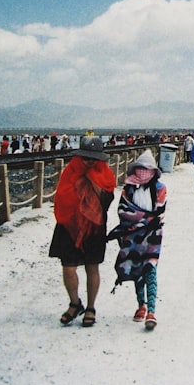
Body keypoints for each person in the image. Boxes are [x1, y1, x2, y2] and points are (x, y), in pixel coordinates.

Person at [48, 135, 116, 328]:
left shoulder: (105, 175)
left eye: (93, 158)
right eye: (86, 157)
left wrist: (95, 187)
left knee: (91, 267)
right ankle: (75, 303)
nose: (89, 161)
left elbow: (106, 203)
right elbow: (61, 197)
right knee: (68, 267)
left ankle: (91, 308)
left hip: (94, 227)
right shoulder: (70, 172)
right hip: (69, 225)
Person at [107, 150, 167, 331]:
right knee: (135, 269)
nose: (143, 172)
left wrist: (140, 220)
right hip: (131, 236)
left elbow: (159, 213)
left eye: (147, 169)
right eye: (140, 168)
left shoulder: (159, 188)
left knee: (150, 268)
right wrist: (144, 220)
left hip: (152, 236)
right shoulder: (129, 188)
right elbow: (123, 210)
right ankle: (141, 304)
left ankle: (151, 310)